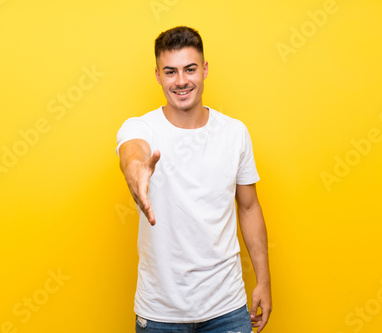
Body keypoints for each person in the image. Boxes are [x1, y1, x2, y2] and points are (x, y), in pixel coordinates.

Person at [116, 26, 272, 333]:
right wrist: (137, 170)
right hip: (160, 313)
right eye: (170, 72)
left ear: (204, 69)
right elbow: (132, 153)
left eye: (190, 69)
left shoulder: (234, 132)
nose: (182, 81)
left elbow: (250, 207)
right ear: (158, 75)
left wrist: (264, 281)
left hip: (227, 308)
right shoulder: (141, 128)